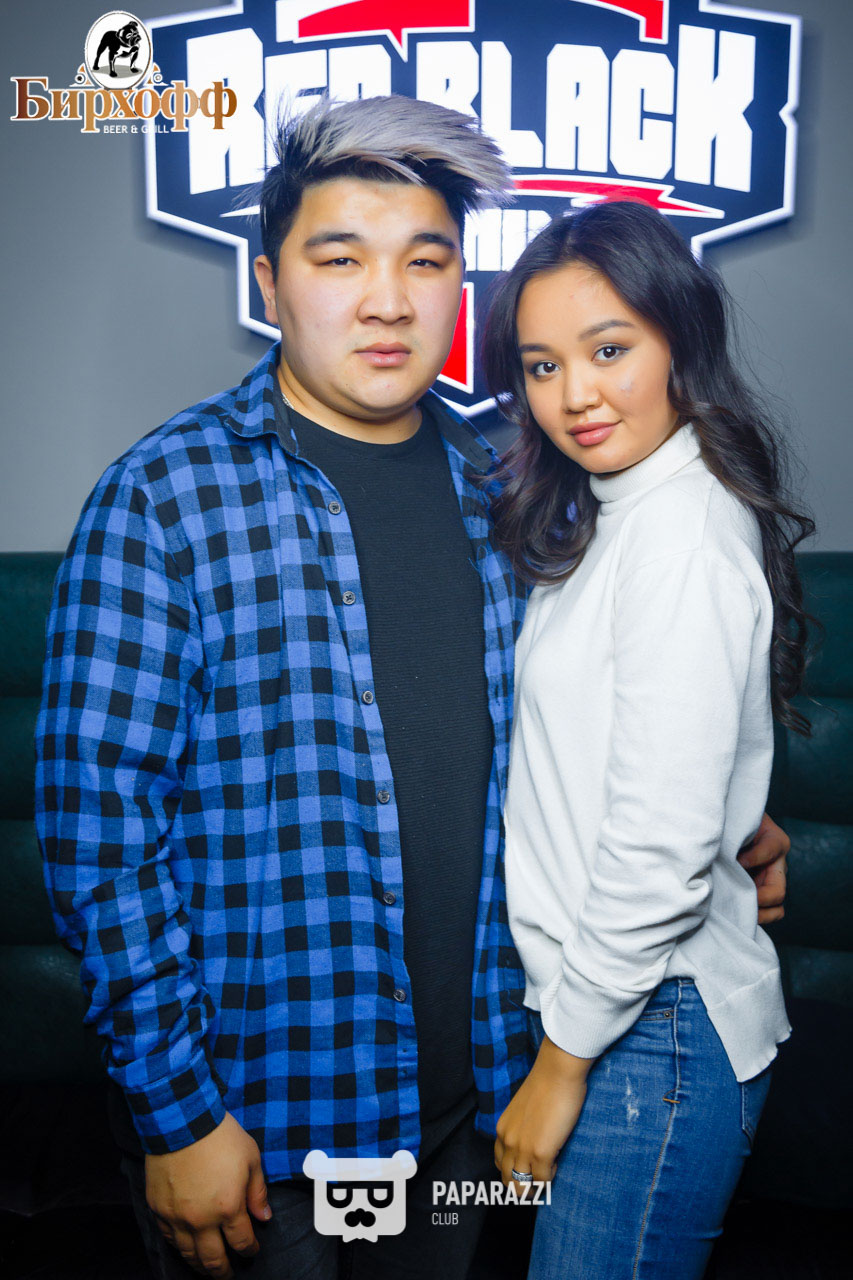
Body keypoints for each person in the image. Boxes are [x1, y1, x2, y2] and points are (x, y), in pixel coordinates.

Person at [35, 98, 789, 1280]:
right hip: (262, 1128)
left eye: (425, 262)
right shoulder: (164, 497)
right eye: (340, 259)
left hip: (472, 1107)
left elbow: (610, 705)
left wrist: (729, 823)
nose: (387, 300)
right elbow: (99, 831)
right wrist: (175, 1113)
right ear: (269, 281)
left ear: (458, 285)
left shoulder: (514, 482)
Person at [482, 200, 811, 1279]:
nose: (573, 394)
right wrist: (735, 823)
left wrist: (560, 1065)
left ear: (679, 339)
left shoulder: (678, 535)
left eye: (609, 349)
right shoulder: (621, 509)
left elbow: (658, 847)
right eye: (541, 365)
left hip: (649, 1034)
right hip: (625, 1015)